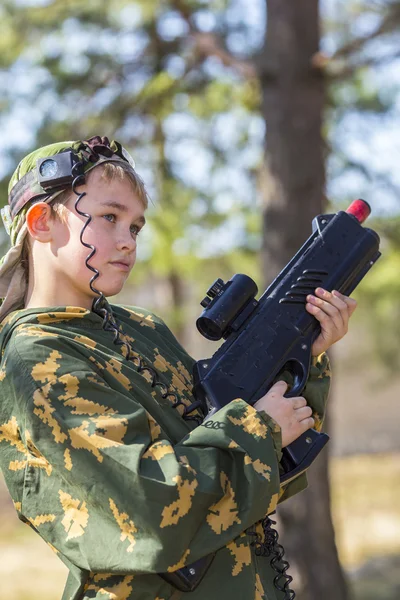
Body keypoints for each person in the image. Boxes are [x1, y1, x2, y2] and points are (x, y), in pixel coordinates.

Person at [0, 136, 356, 600]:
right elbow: (150, 510)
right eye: (109, 217)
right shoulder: (38, 360)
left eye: (136, 227)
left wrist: (302, 352)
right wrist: (261, 429)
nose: (128, 242)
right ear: (41, 221)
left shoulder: (140, 327)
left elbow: (251, 471)